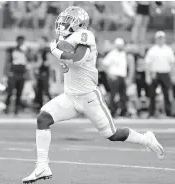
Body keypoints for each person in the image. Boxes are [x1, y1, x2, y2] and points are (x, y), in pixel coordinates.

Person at [22, 6, 164, 184]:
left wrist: (55, 50)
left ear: (78, 23)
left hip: (89, 97)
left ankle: (146, 139)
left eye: (68, 20)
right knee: (43, 118)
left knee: (112, 135)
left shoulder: (85, 35)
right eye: (64, 20)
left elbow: (78, 60)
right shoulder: (63, 38)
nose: (64, 23)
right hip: (70, 97)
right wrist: (58, 48)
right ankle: (42, 166)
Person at [145, 31, 175, 118]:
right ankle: (151, 112)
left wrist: (173, 75)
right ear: (156, 39)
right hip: (155, 73)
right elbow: (148, 64)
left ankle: (169, 112)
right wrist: (148, 75)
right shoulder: (152, 50)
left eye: (162, 38)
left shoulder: (168, 50)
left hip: (165, 73)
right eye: (159, 38)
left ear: (164, 39)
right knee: (152, 94)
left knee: (167, 93)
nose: (160, 40)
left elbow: (172, 63)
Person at [102, 38, 135, 117]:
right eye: (118, 45)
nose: (120, 47)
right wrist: (110, 75)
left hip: (122, 77)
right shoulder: (112, 53)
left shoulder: (125, 54)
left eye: (121, 45)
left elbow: (130, 66)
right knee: (113, 95)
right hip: (114, 77)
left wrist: (129, 78)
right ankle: (112, 112)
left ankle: (123, 111)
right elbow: (104, 65)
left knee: (123, 95)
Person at [4, 35, 29, 115]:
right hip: (13, 74)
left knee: (19, 93)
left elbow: (30, 60)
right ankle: (6, 108)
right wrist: (6, 73)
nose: (21, 43)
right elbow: (8, 61)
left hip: (21, 74)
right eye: (20, 41)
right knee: (10, 92)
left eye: (23, 41)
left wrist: (26, 52)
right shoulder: (12, 50)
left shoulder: (26, 50)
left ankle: (16, 110)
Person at [33, 36, 52, 112]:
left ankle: (53, 107)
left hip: (44, 73)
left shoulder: (46, 50)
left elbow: (49, 62)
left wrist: (40, 64)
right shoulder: (39, 50)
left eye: (41, 41)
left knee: (46, 91)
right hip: (39, 73)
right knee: (39, 91)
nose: (39, 43)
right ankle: (39, 108)